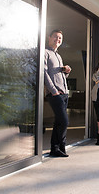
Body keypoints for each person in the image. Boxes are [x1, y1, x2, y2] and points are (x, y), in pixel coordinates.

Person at [44, 29, 71, 157]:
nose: (58, 40)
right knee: (64, 121)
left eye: (60, 38)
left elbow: (59, 76)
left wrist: (66, 71)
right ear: (49, 37)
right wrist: (54, 91)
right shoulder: (45, 53)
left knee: (59, 122)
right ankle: (59, 146)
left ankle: (57, 148)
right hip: (55, 94)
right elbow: (44, 73)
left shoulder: (58, 56)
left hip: (64, 93)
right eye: (55, 37)